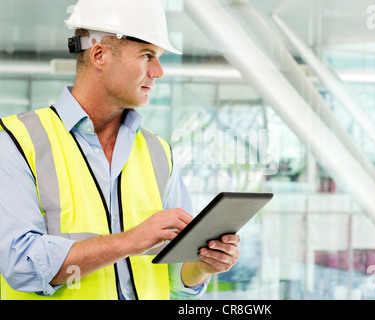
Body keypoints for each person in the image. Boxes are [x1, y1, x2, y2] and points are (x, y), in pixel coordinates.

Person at [0, 0, 240, 300]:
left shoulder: (158, 152)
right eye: (147, 55)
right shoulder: (16, 141)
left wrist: (203, 265)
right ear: (99, 54)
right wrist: (130, 241)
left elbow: (177, 283)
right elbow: (22, 265)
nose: (159, 71)